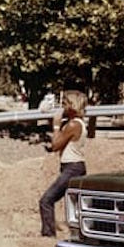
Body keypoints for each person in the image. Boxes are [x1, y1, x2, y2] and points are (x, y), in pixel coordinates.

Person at [39, 90, 88, 237]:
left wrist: (55, 125)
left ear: (72, 105)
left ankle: (48, 235)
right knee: (73, 203)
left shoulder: (73, 125)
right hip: (73, 166)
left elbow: (55, 145)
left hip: (72, 167)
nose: (62, 107)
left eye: (65, 103)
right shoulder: (75, 123)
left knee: (46, 200)